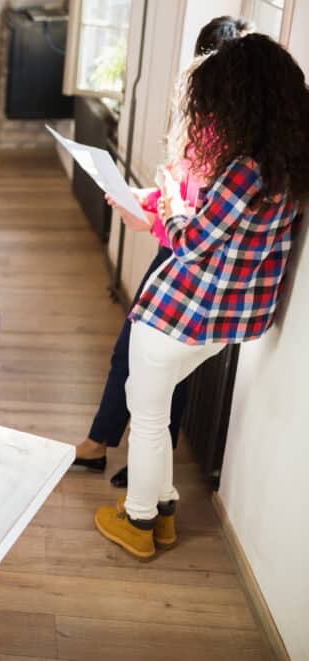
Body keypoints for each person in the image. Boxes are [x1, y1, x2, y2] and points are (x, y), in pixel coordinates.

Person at [97, 33, 308, 560]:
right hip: (222, 325)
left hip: (180, 316)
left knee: (146, 415)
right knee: (156, 411)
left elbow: (191, 243)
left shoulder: (245, 171)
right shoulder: (288, 171)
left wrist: (169, 201)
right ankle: (164, 510)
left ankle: (139, 521)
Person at [73, 15, 251, 488]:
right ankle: (102, 443)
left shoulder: (236, 143)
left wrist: (151, 216)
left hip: (189, 263)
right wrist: (140, 198)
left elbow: (198, 227)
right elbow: (176, 191)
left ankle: (139, 463)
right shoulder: (203, 124)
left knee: (159, 367)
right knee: (130, 354)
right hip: (171, 252)